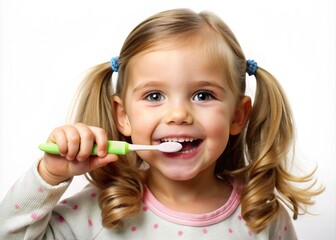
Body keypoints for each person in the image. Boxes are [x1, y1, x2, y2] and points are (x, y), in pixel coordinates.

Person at [0, 8, 322, 239]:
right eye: (154, 96)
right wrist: (49, 175)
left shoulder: (261, 215)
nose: (178, 114)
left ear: (237, 116)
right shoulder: (99, 212)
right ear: (123, 116)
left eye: (202, 95)